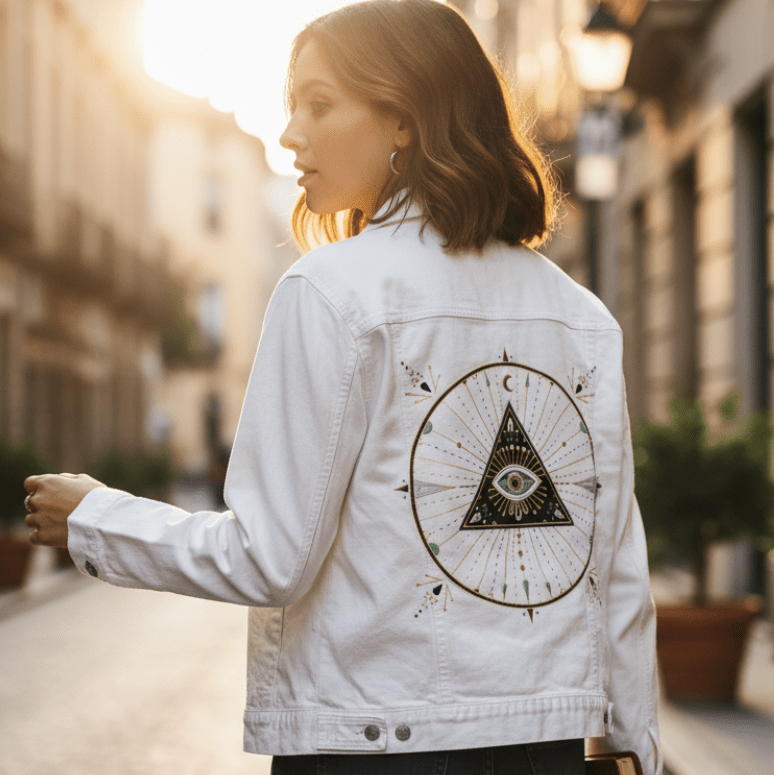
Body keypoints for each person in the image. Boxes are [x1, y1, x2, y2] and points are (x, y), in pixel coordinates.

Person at [24, 1, 662, 773]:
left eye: (319, 104)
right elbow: (619, 573)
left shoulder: (332, 292)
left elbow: (269, 558)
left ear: (405, 119)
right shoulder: (581, 316)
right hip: (543, 745)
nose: (291, 133)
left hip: (376, 745)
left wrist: (97, 519)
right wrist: (636, 748)